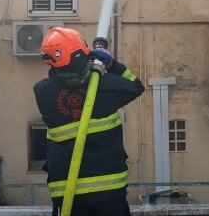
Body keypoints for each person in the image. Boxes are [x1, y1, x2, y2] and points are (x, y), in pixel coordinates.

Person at [33, 27, 145, 216]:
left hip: (68, 191)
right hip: (108, 191)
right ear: (81, 53)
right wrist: (111, 65)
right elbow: (136, 86)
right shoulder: (104, 85)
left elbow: (58, 80)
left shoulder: (42, 92)